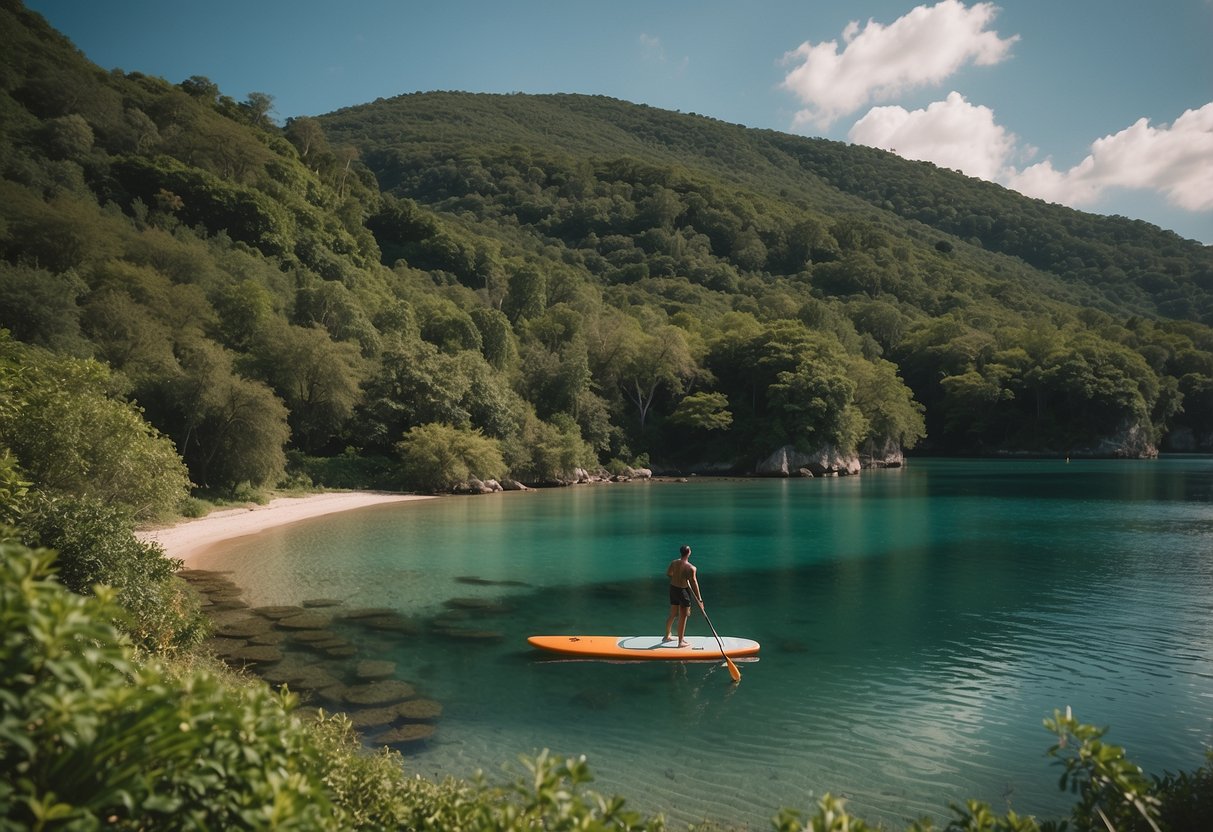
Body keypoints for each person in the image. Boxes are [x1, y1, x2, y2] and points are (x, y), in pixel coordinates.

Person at [664, 544, 702, 647]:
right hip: (682, 591)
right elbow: (694, 583)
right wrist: (699, 599)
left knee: (673, 614)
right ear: (689, 553)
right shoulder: (691, 568)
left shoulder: (674, 563)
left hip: (673, 588)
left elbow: (668, 574)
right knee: (683, 616)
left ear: (681, 553)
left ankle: (666, 636)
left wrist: (677, 576)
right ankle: (680, 642)